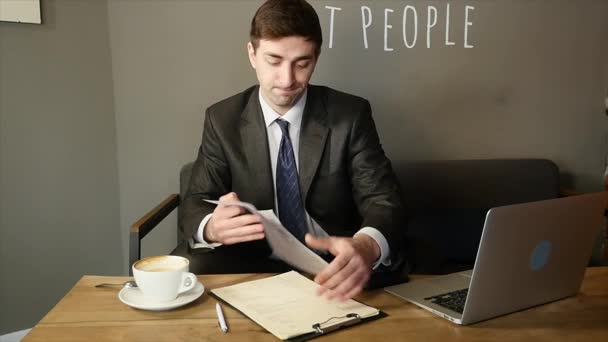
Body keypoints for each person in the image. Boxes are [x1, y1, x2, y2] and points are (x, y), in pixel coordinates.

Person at [179, 0, 407, 300]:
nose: (287, 80)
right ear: (252, 54)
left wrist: (365, 246)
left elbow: (383, 199)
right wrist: (212, 228)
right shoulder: (222, 119)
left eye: (302, 63)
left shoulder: (350, 115)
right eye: (274, 61)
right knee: (189, 267)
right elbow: (195, 200)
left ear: (316, 58)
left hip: (333, 261)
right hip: (254, 258)